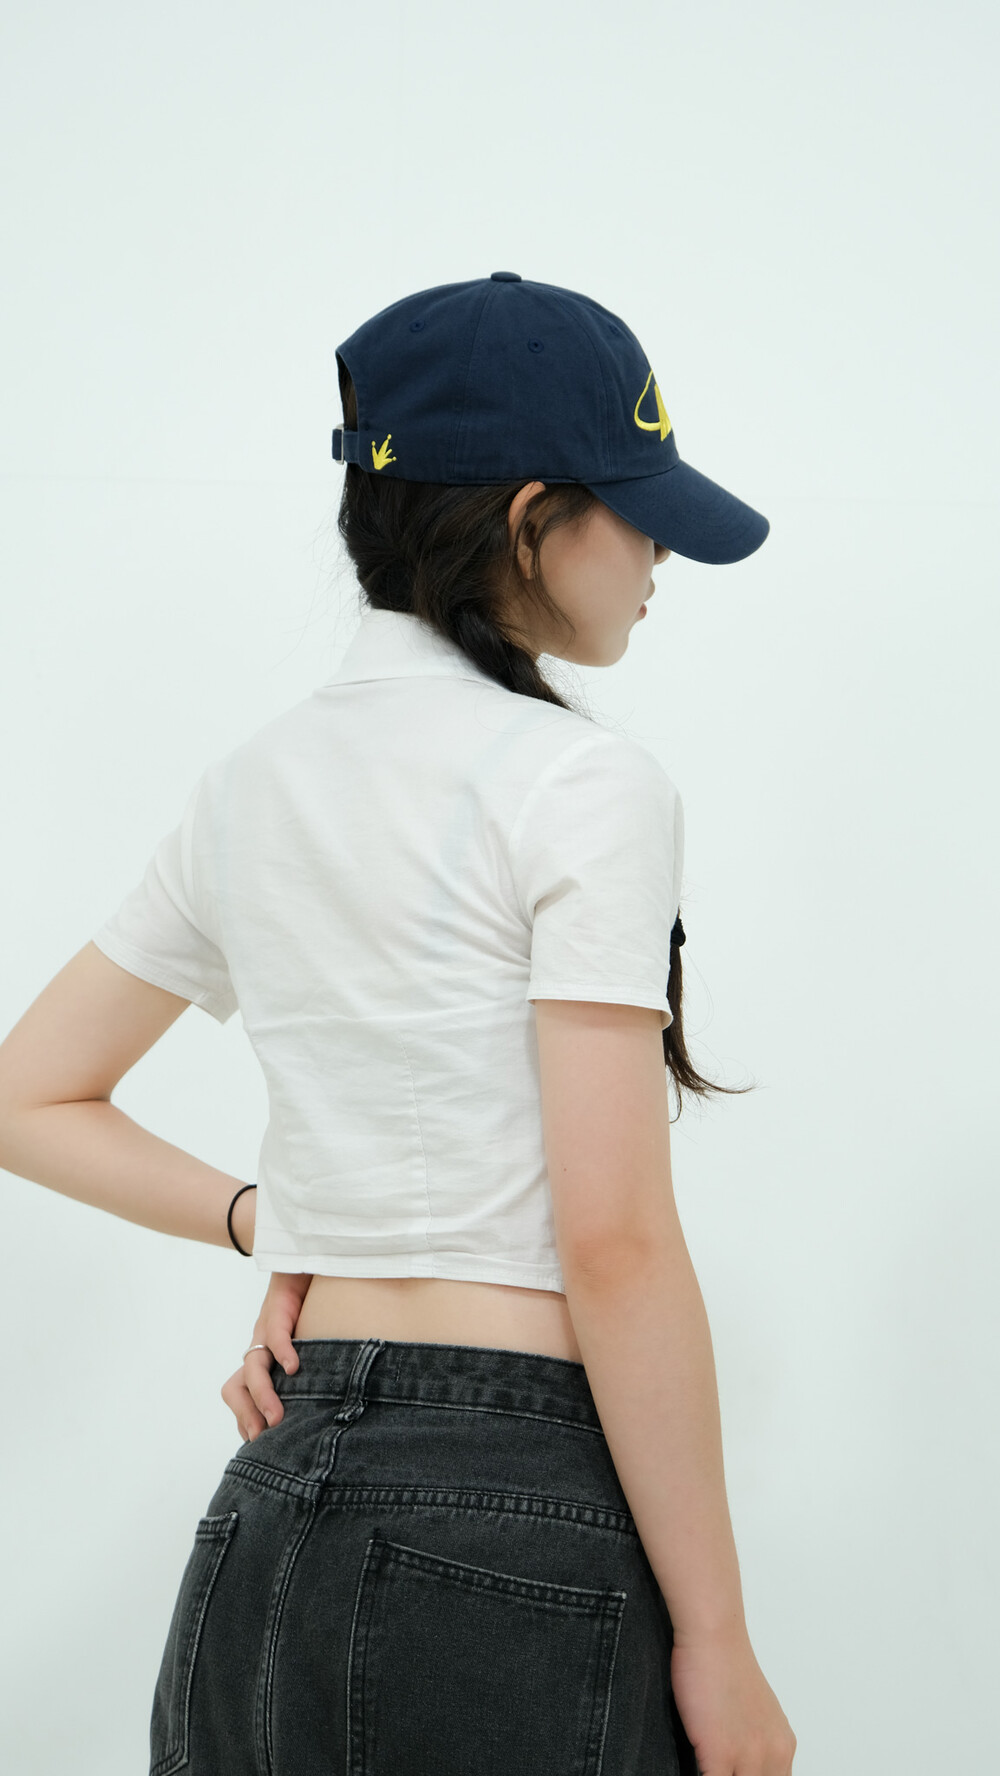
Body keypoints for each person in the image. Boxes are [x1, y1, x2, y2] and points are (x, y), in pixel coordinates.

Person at [0, 271, 796, 1775]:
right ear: (531, 519)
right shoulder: (583, 785)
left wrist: (279, 1222)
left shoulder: (253, 784)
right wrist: (718, 1637)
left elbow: (24, 1095)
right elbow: (615, 1241)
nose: (659, 559)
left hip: (266, 1519)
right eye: (638, 514)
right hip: (507, 1517)